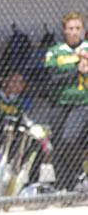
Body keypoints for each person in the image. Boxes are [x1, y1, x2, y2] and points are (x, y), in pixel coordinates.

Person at [44, 11, 88, 190]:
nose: (74, 32)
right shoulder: (56, 52)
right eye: (70, 28)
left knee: (70, 138)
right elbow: (52, 78)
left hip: (81, 103)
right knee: (58, 145)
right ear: (64, 31)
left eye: (78, 28)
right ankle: (65, 186)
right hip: (59, 103)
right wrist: (76, 70)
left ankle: (79, 174)